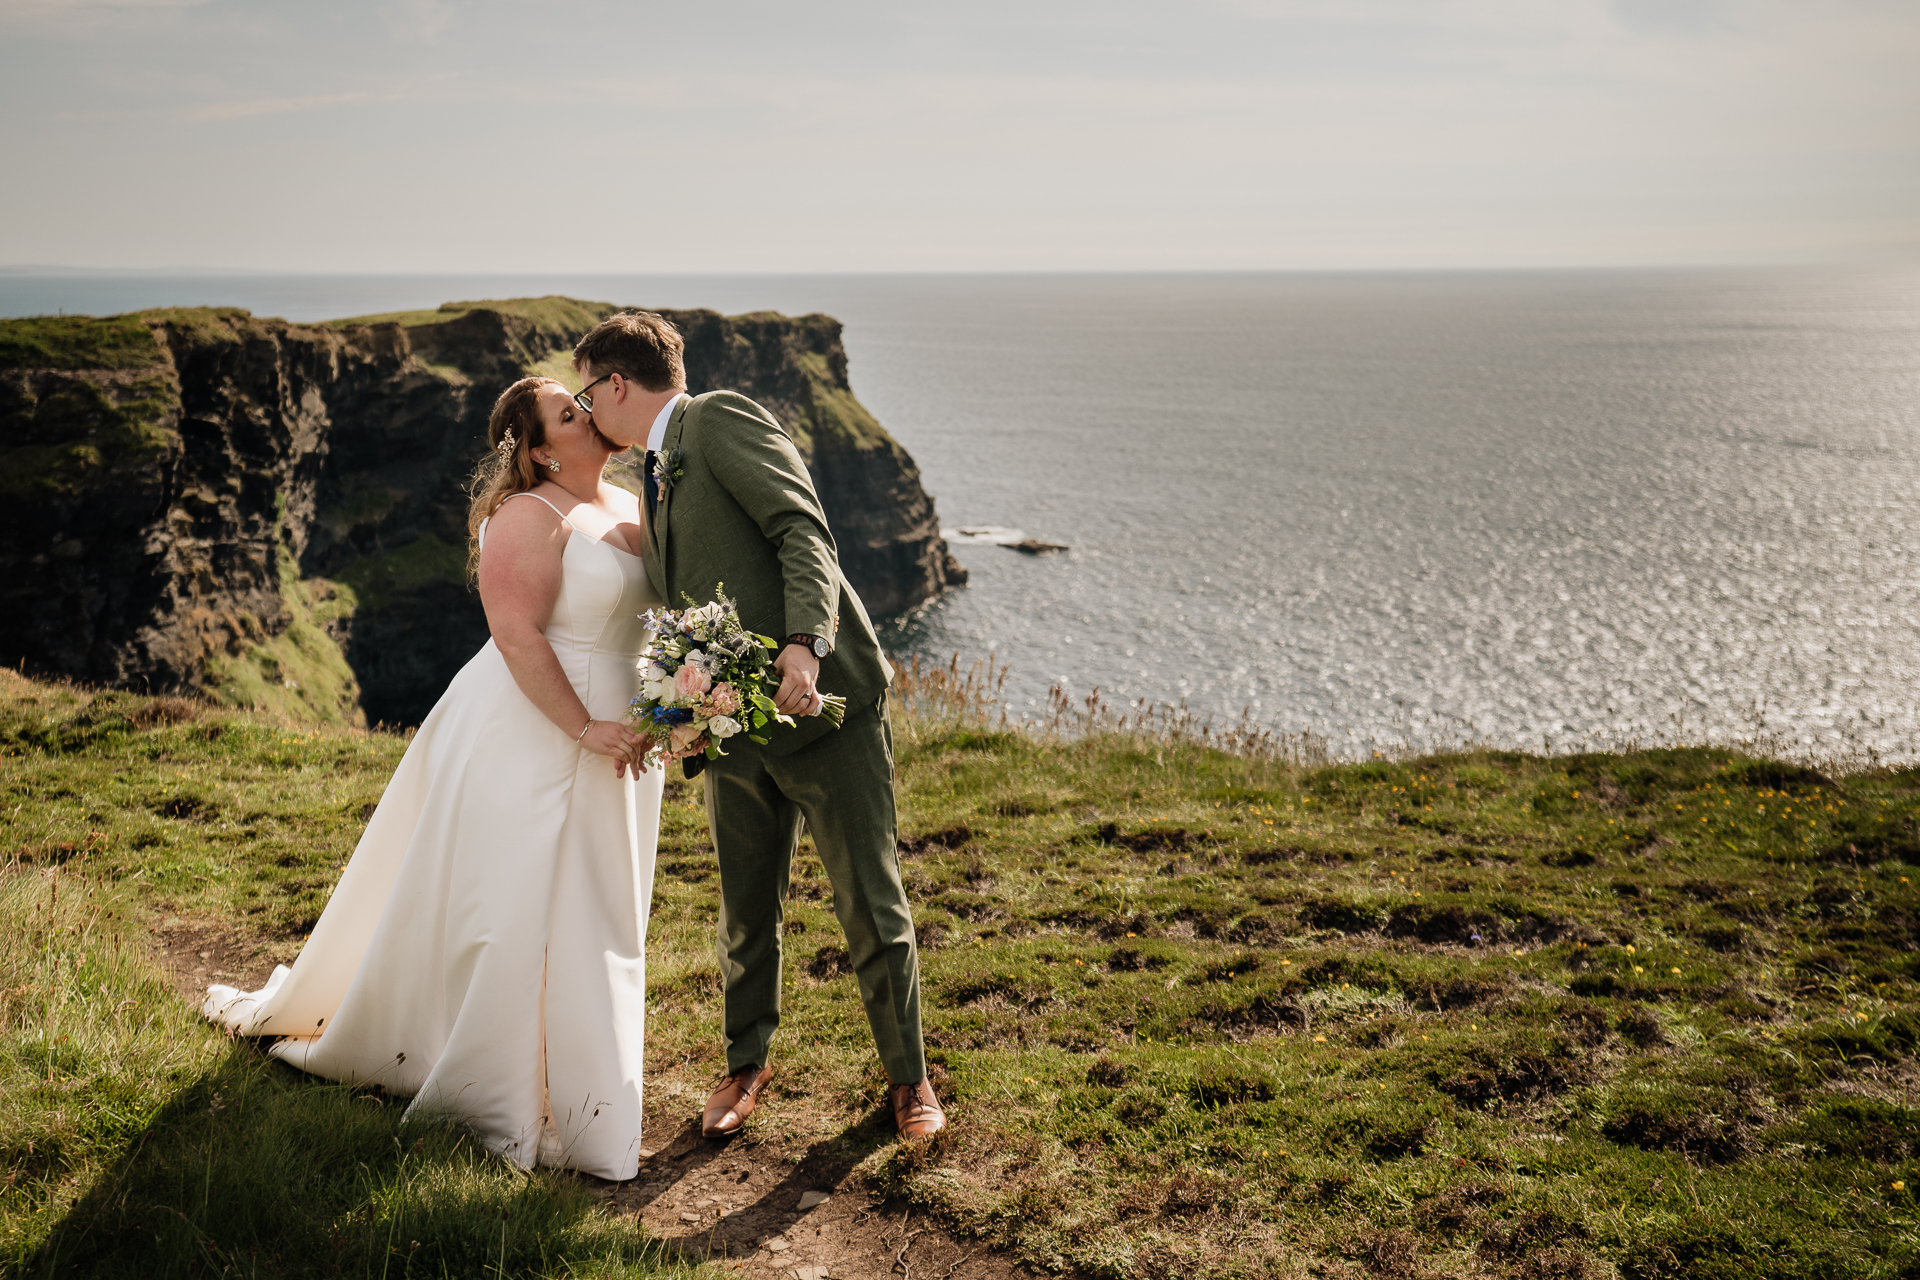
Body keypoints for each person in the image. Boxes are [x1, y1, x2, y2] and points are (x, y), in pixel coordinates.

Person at [203, 377, 663, 1181]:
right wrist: (585, 728)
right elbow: (517, 636)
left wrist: (681, 702)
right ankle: (495, 1086)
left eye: (583, 403)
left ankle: (582, 1087)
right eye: (566, 413)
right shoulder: (528, 515)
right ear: (539, 452)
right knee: (518, 905)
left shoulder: (631, 503)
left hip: (625, 732)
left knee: (600, 910)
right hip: (535, 726)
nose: (584, 415)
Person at [573, 311, 945, 1140]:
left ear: (617, 386)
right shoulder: (654, 473)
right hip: (730, 728)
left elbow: (802, 530)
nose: (585, 408)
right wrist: (687, 709)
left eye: (585, 391)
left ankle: (910, 1082)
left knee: (869, 899)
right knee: (746, 909)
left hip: (822, 709)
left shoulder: (720, 417)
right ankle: (747, 1067)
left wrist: (806, 647)